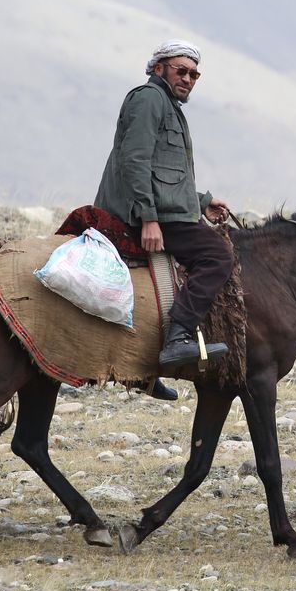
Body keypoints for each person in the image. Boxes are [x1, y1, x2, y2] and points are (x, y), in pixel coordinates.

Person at [95, 39, 234, 374]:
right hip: (138, 214)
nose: (187, 79)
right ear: (159, 68)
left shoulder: (168, 105)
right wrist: (149, 219)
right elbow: (135, 161)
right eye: (181, 70)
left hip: (159, 211)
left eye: (194, 75)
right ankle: (178, 337)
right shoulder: (149, 99)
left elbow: (165, 174)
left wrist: (201, 202)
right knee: (218, 255)